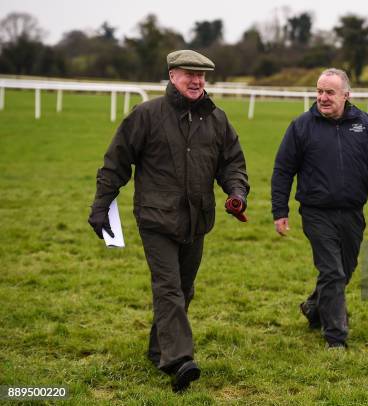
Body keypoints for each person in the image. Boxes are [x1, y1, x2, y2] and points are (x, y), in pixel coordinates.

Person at [88, 50, 249, 391]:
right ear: (172, 75)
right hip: (156, 218)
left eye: (202, 75)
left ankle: (158, 347)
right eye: (189, 73)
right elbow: (116, 163)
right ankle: (179, 359)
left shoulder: (217, 119)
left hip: (198, 220)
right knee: (169, 288)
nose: (197, 80)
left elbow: (232, 163)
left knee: (183, 289)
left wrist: (237, 193)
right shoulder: (146, 115)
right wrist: (101, 205)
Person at [271, 68, 368, 349]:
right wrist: (280, 211)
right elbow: (283, 170)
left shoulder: (365, 125)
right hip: (316, 212)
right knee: (332, 271)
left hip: (353, 212)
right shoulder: (301, 126)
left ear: (346, 95)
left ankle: (314, 306)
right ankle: (335, 338)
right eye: (319, 91)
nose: (323, 97)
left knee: (345, 270)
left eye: (330, 92)